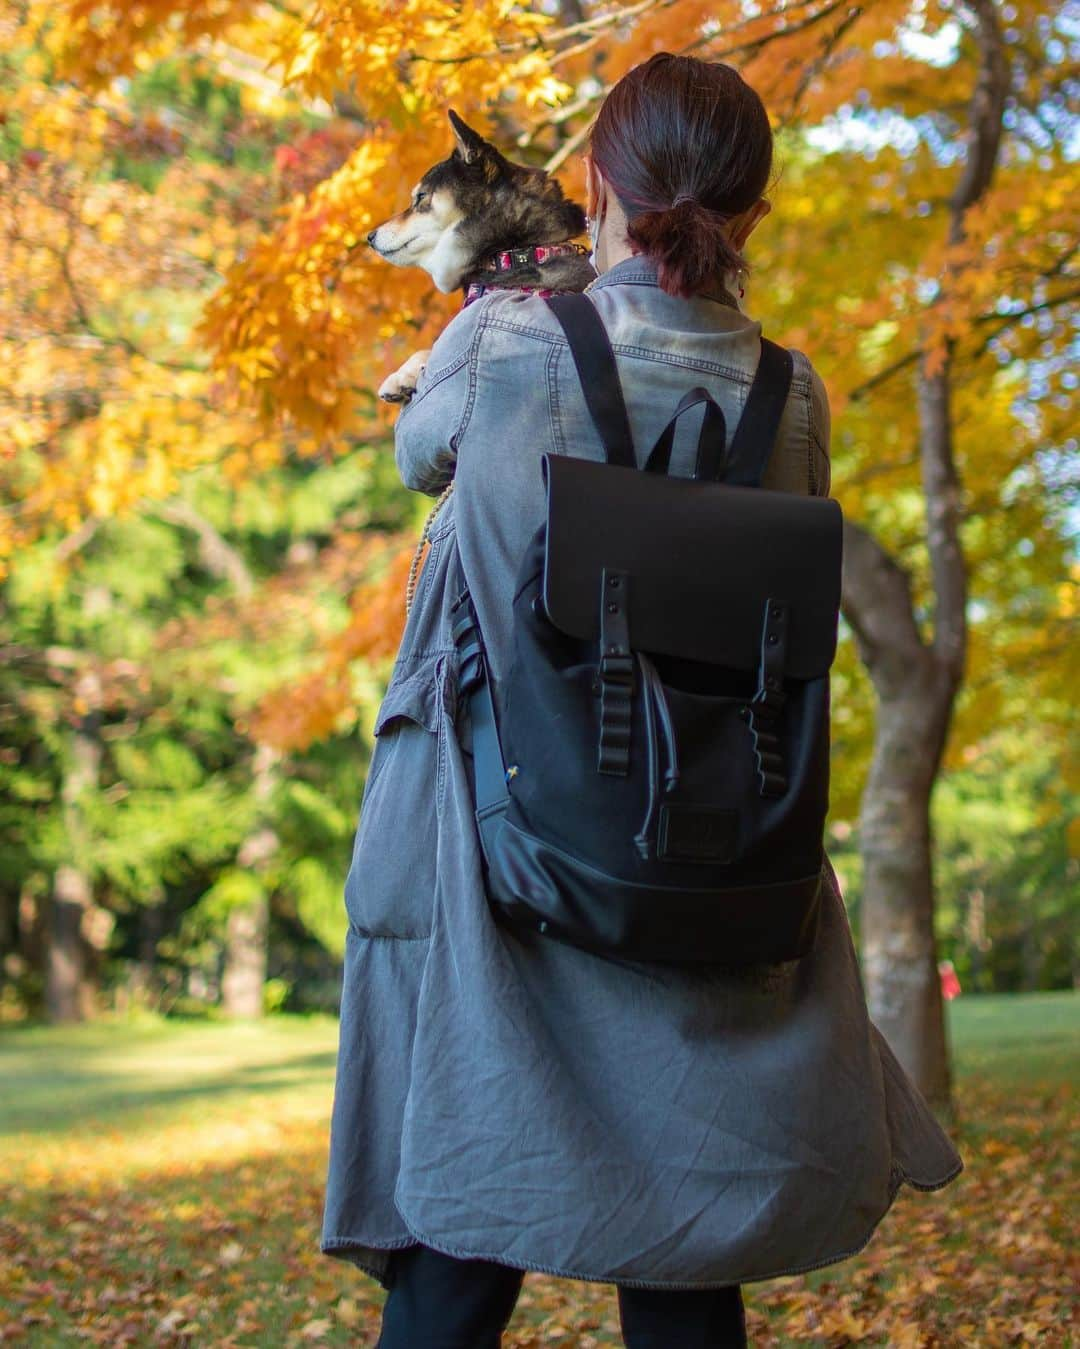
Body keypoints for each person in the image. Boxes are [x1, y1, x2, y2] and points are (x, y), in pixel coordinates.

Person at [321, 53, 963, 1349]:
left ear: (598, 186)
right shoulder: (793, 400)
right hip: (696, 848)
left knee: (456, 1241)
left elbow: (413, 451)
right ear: (758, 209)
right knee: (678, 1256)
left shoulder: (502, 341)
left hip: (504, 852)